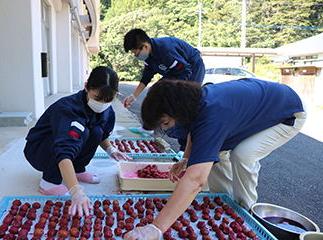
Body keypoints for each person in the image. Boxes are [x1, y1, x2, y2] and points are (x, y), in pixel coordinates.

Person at [124, 78, 307, 240]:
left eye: (166, 123)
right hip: (261, 104)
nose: (166, 130)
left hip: (288, 113)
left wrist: (157, 227)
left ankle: (246, 215)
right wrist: (186, 158)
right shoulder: (195, 102)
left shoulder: (212, 116)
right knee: (215, 154)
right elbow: (194, 132)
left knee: (243, 155)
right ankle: (226, 205)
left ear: (177, 110)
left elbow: (196, 179)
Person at [24, 66, 132, 217]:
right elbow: (63, 149)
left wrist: (111, 149)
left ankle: (77, 169)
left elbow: (101, 135)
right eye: (97, 98)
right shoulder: (69, 110)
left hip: (61, 146)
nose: (102, 103)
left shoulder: (107, 110)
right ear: (87, 87)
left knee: (95, 131)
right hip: (40, 150)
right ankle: (49, 182)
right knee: (78, 133)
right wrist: (75, 191)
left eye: (108, 99)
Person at [122, 28, 206, 156]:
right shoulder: (149, 55)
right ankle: (148, 128)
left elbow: (186, 71)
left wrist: (176, 94)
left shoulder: (167, 52)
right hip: (176, 72)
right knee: (154, 93)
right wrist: (134, 95)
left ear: (145, 46)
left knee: (181, 106)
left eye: (136, 53)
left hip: (192, 69)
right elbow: (146, 76)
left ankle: (184, 149)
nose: (136, 56)